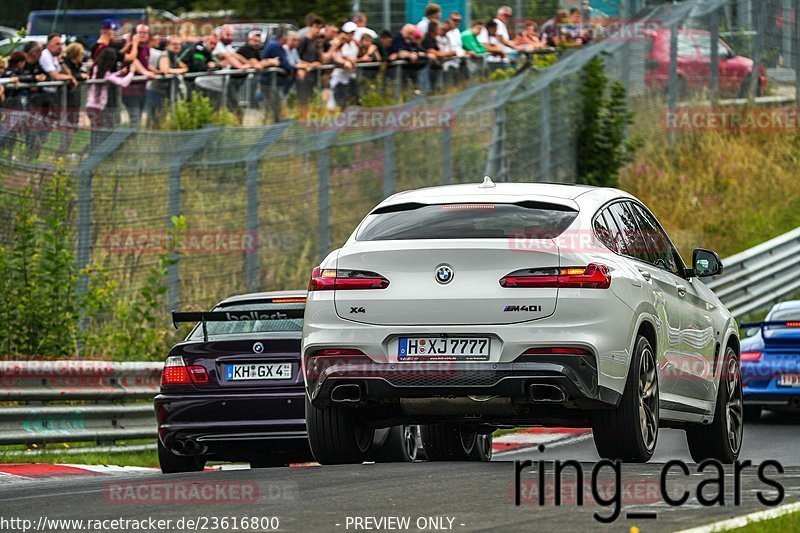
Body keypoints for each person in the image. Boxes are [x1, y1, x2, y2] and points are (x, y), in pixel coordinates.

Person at [86, 47, 134, 145]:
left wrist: (119, 73)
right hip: (97, 108)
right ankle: (97, 153)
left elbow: (110, 77)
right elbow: (123, 83)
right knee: (101, 132)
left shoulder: (96, 69)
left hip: (91, 106)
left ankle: (94, 151)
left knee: (96, 131)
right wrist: (131, 73)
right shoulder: (103, 73)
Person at [145, 36, 188, 127]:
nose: (177, 47)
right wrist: (178, 71)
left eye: (179, 45)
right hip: (156, 91)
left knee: (162, 117)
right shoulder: (165, 55)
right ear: (168, 45)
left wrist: (177, 71)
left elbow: (185, 68)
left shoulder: (174, 57)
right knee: (154, 118)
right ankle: (149, 137)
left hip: (165, 91)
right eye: (174, 44)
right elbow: (165, 70)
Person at [39, 34, 77, 119]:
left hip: (53, 93)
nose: (60, 47)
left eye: (61, 44)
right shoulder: (45, 55)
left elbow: (68, 73)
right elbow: (55, 76)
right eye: (57, 44)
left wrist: (61, 61)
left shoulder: (55, 57)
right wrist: (70, 78)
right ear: (48, 44)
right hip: (44, 94)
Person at [329, 21, 359, 109]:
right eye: (349, 33)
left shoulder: (354, 45)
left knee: (351, 100)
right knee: (336, 103)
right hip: (338, 78)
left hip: (350, 77)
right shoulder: (338, 44)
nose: (351, 35)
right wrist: (345, 62)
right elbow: (336, 57)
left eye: (353, 33)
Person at [295, 20, 323, 107]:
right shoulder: (303, 41)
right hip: (304, 76)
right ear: (310, 27)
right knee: (303, 101)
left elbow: (319, 59)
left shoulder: (316, 42)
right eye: (316, 27)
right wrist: (310, 64)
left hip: (313, 76)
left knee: (311, 100)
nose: (317, 30)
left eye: (319, 28)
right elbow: (296, 59)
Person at [63, 42, 87, 123]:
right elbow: (69, 74)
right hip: (67, 96)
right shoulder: (65, 64)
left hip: (75, 97)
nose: (82, 56)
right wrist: (80, 76)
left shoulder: (79, 65)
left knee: (74, 120)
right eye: (81, 54)